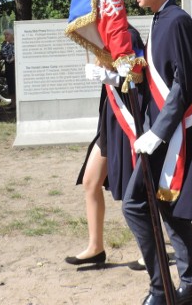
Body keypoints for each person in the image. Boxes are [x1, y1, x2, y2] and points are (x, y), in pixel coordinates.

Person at [122, 0, 192, 305]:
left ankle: (162, 288)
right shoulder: (160, 19)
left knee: (134, 204)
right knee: (168, 208)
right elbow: (157, 74)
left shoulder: (177, 21)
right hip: (158, 130)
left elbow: (182, 84)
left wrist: (157, 133)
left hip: (171, 135)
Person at [67, 26, 148, 268]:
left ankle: (151, 249)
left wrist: (111, 77)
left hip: (128, 122)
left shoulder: (127, 36)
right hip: (109, 121)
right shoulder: (102, 38)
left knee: (138, 191)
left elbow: (140, 80)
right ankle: (95, 248)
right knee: (91, 182)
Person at [0, 29, 15, 99]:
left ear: (12, 35)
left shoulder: (17, 43)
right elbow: (2, 54)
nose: (5, 36)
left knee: (15, 84)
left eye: (7, 34)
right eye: (5, 35)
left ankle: (16, 103)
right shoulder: (4, 44)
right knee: (10, 84)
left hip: (15, 66)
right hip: (8, 66)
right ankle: (12, 103)